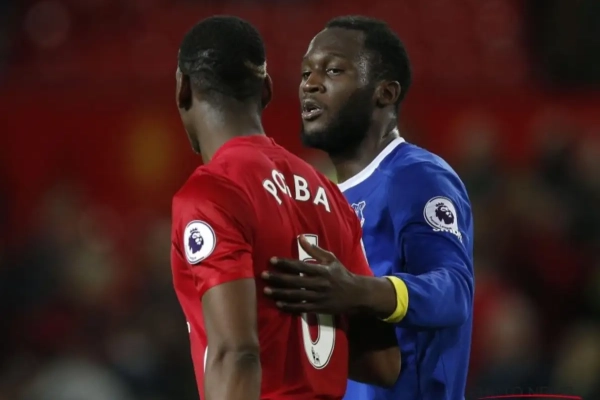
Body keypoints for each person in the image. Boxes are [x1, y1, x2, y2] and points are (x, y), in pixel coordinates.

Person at [169, 16, 400, 400]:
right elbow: (384, 364)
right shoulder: (328, 194)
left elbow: (236, 353)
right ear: (267, 90)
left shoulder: (211, 193)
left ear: (183, 87)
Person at [262, 16, 474, 400]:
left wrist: (359, 290)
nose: (310, 84)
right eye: (306, 72)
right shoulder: (319, 198)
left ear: (385, 93)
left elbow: (455, 292)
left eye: (333, 70)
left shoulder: (417, 177)